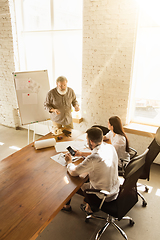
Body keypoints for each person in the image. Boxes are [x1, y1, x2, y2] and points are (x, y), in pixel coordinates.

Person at [63, 127, 120, 213]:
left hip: (103, 195)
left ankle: (67, 206)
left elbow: (73, 172)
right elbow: (97, 153)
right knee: (88, 176)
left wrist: (69, 162)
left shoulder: (93, 158)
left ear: (91, 142)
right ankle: (88, 207)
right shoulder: (110, 147)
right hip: (115, 189)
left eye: (87, 140)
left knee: (71, 181)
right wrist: (81, 153)